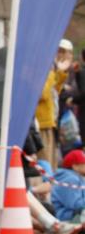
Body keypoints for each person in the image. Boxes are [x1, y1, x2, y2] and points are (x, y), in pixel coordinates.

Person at [35, 40, 73, 169]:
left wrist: (61, 72)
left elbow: (54, 91)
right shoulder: (42, 69)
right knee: (45, 165)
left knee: (51, 164)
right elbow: (42, 94)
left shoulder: (50, 70)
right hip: (42, 124)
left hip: (50, 123)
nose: (61, 55)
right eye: (60, 51)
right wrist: (52, 73)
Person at [52, 148, 85, 224]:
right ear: (75, 166)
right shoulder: (71, 179)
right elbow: (75, 205)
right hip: (65, 217)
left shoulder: (77, 177)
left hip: (74, 214)